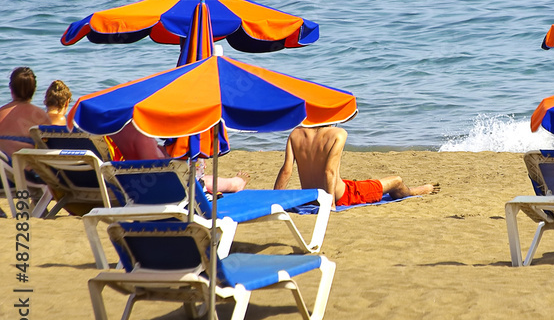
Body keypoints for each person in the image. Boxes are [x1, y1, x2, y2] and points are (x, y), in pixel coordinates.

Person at [273, 125, 439, 206]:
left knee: (354, 182)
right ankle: (413, 191)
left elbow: (286, 171)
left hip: (311, 196)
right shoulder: (338, 133)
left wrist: (272, 201)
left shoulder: (295, 134)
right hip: (340, 196)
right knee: (396, 180)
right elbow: (329, 171)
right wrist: (329, 206)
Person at [110, 121, 247, 194]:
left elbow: (139, 154)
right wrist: (181, 160)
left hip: (128, 180)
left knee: (192, 171)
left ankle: (233, 183)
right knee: (196, 179)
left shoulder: (116, 129)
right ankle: (234, 184)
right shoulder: (140, 134)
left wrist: (165, 151)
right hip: (151, 186)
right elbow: (158, 167)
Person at [0, 67, 51, 157]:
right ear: (34, 89)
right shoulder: (40, 115)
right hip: (25, 168)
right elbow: (50, 148)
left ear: (11, 88)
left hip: (3, 166)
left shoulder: (1, 112)